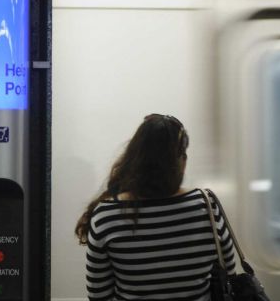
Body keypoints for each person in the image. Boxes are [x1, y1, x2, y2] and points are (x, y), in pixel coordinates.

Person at [75, 114, 235, 301]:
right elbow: (229, 274)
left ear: (133, 158)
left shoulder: (105, 216)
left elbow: (99, 295)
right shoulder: (206, 206)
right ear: (180, 161)